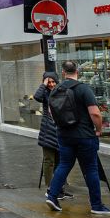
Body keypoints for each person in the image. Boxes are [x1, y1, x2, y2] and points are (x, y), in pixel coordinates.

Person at [46, 61, 110, 215]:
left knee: (64, 165)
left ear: (63, 73)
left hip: (64, 135)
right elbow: (95, 113)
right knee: (90, 169)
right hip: (84, 135)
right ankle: (96, 205)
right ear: (78, 71)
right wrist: (98, 129)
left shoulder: (56, 89)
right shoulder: (83, 89)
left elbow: (51, 111)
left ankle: (52, 196)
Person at [33, 71, 72, 200]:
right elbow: (37, 97)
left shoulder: (61, 91)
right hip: (47, 130)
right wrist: (43, 85)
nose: (50, 84)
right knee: (49, 160)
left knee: (61, 161)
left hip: (60, 129)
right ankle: (50, 187)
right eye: (48, 82)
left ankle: (60, 187)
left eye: (52, 82)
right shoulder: (44, 93)